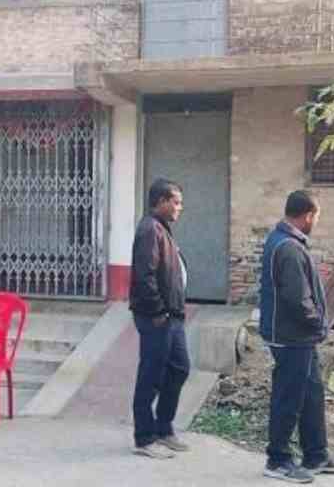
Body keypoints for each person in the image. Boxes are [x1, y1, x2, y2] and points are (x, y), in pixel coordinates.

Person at [259, 190, 334, 483]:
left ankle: (316, 454)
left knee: (311, 394)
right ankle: (278, 460)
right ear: (308, 215)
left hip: (297, 336)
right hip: (291, 337)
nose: (316, 222)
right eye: (316, 217)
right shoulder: (289, 248)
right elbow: (298, 300)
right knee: (289, 397)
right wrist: (319, 326)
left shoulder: (284, 241)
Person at [129, 178, 191, 459]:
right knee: (151, 375)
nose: (180, 207)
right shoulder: (149, 230)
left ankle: (163, 428)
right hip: (157, 317)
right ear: (162, 202)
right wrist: (158, 311)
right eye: (176, 201)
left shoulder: (162, 229)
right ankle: (144, 438)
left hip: (173, 316)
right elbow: (144, 276)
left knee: (179, 368)